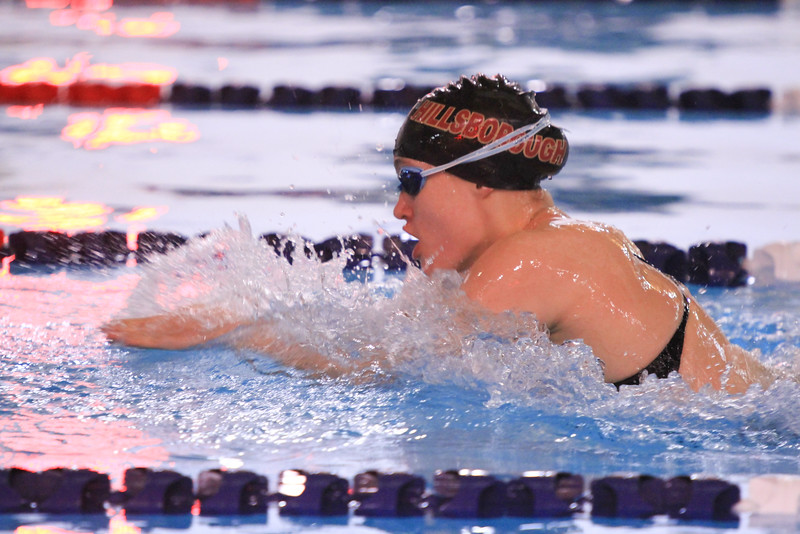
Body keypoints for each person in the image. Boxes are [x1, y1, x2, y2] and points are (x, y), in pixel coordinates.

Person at [103, 73, 774, 393]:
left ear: (480, 182)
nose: (399, 210)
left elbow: (391, 373)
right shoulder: (570, 239)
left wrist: (229, 328)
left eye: (414, 181)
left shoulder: (525, 263)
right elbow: (400, 338)